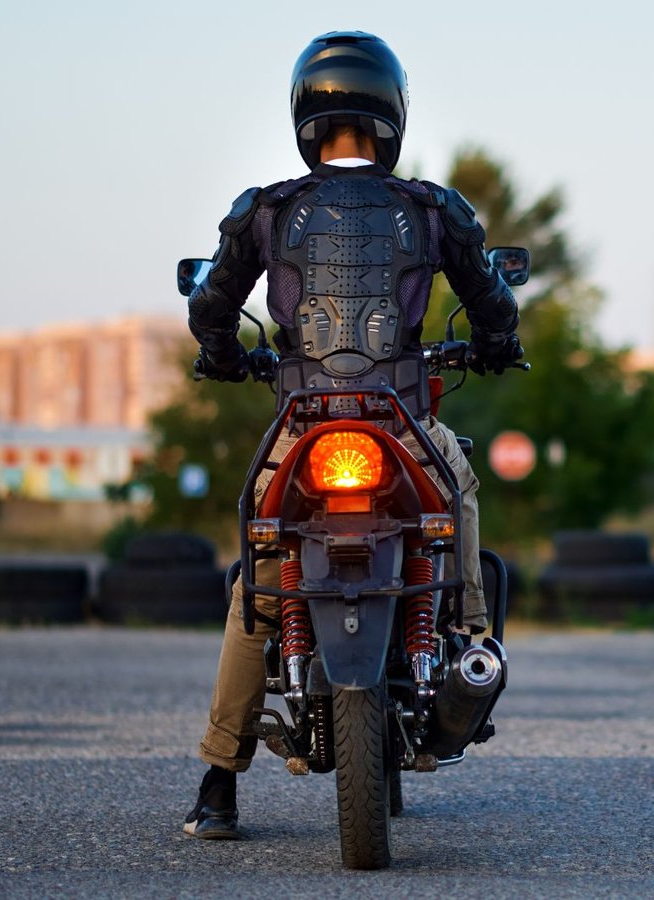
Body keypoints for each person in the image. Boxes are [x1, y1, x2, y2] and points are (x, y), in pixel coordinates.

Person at [181, 31, 525, 840]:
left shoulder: (267, 210)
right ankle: (471, 640)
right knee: (456, 496)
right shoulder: (431, 209)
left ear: (305, 112)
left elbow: (210, 308)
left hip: (301, 428)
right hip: (403, 422)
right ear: (392, 112)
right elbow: (494, 307)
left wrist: (225, 358)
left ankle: (219, 782)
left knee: (260, 576)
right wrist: (494, 347)